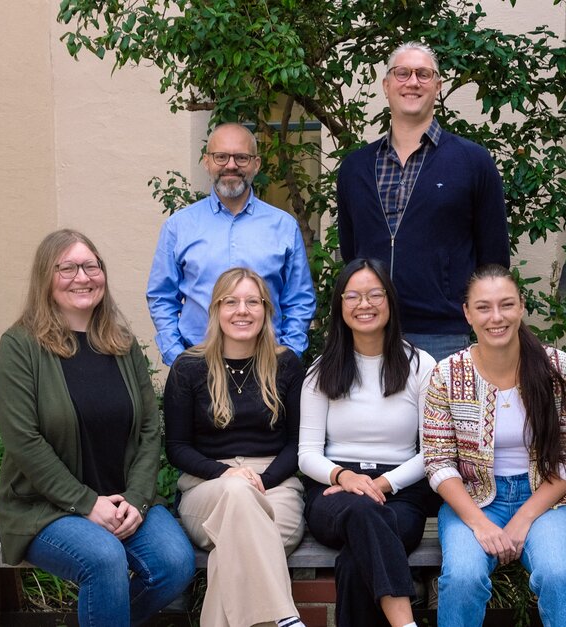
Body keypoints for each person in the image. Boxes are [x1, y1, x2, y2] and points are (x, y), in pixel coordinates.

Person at [0, 229, 195, 627]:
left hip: (122, 500)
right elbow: (24, 441)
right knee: (103, 558)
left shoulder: (120, 342)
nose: (82, 277)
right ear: (45, 279)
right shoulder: (20, 346)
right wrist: (86, 503)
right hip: (44, 507)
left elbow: (150, 429)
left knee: (175, 563)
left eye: (91, 266)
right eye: (66, 268)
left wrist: (136, 499)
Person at [422, 264, 566, 627]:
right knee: (462, 579)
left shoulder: (556, 369)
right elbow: (438, 462)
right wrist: (480, 523)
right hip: (473, 502)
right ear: (467, 313)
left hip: (545, 501)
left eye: (506, 305)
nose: (495, 317)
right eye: (483, 307)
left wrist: (525, 517)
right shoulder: (447, 375)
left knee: (558, 574)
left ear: (521, 307)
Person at [336, 41, 510, 361]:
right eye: (402, 73)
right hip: (368, 331)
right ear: (387, 85)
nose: (412, 82)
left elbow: (494, 260)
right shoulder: (355, 168)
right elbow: (352, 252)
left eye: (423, 74)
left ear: (438, 86)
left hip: (442, 335)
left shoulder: (472, 162)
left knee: (441, 414)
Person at [164, 267, 307, 627]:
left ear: (266, 310)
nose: (242, 310)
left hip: (277, 487)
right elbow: (177, 448)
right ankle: (285, 617)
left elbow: (297, 443)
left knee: (229, 556)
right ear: (215, 310)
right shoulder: (188, 367)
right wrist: (229, 475)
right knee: (237, 495)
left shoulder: (286, 364)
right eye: (231, 302)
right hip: (206, 489)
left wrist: (264, 480)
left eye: (252, 302)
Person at [299, 258, 438, 627]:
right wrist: (345, 478)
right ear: (340, 305)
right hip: (334, 492)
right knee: (362, 512)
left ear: (390, 301)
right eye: (354, 296)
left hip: (401, 489)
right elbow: (307, 454)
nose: (365, 304)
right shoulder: (321, 370)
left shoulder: (420, 365)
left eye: (375, 294)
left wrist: (382, 483)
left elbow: (434, 451)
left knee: (354, 558)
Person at [147, 122, 317, 366]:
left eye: (241, 157)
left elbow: (299, 299)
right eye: (221, 156)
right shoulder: (179, 227)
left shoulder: (284, 226)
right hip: (198, 362)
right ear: (207, 162)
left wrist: (288, 355)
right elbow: (161, 297)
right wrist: (177, 357)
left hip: (267, 364)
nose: (230, 165)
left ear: (256, 164)